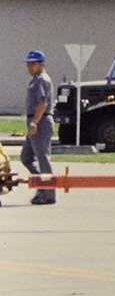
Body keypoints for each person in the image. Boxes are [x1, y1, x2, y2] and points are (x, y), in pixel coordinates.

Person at [21, 50, 56, 204]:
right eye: (28, 64)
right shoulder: (35, 80)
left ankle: (48, 194)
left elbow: (43, 103)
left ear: (41, 64)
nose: (30, 67)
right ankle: (42, 185)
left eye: (33, 64)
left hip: (41, 122)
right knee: (26, 157)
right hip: (35, 121)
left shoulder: (42, 79)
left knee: (43, 158)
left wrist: (34, 123)